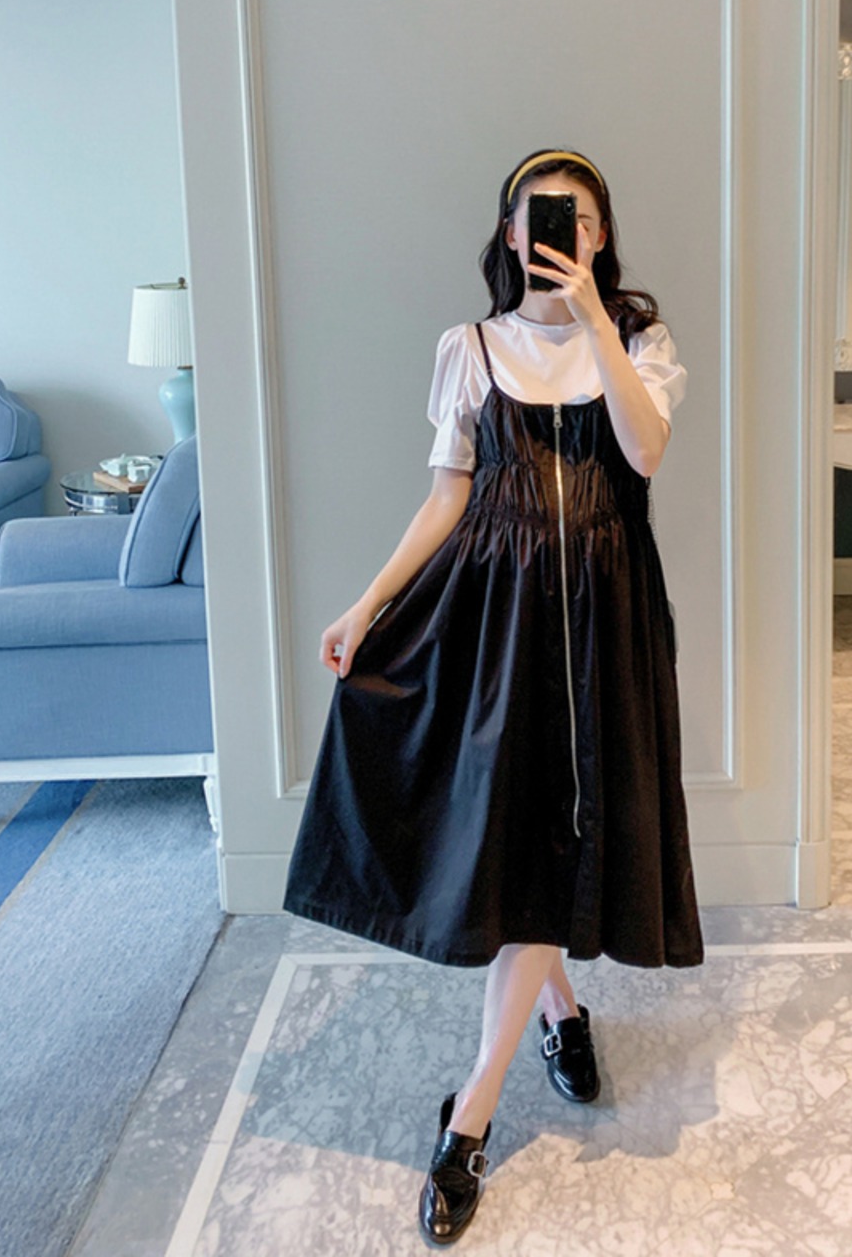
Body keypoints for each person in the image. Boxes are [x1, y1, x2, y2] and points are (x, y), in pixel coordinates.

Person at [280, 147, 705, 1245]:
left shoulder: (641, 343)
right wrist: (366, 605)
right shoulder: (468, 350)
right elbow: (446, 499)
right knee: (526, 838)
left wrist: (593, 320)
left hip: (606, 629)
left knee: (557, 834)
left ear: (600, 235)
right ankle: (497, 1087)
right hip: (496, 629)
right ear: (512, 234)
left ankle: (481, 1092)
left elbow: (644, 454)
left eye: (581, 218)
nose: (562, 232)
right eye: (541, 217)